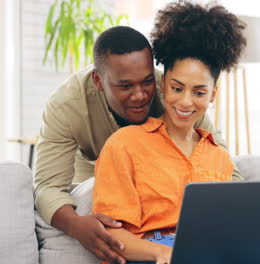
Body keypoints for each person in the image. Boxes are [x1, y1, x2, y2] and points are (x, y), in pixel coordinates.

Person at [33, 25, 243, 264]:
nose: (140, 95)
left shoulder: (179, 96)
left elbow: (228, 178)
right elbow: (48, 186)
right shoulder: (67, 105)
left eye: (146, 82)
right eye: (125, 86)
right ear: (98, 81)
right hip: (93, 165)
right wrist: (77, 225)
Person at [92, 1, 246, 263]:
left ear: (212, 95)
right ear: (163, 85)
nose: (186, 102)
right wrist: (164, 252)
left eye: (199, 92)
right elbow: (111, 235)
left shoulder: (218, 156)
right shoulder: (125, 144)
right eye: (177, 88)